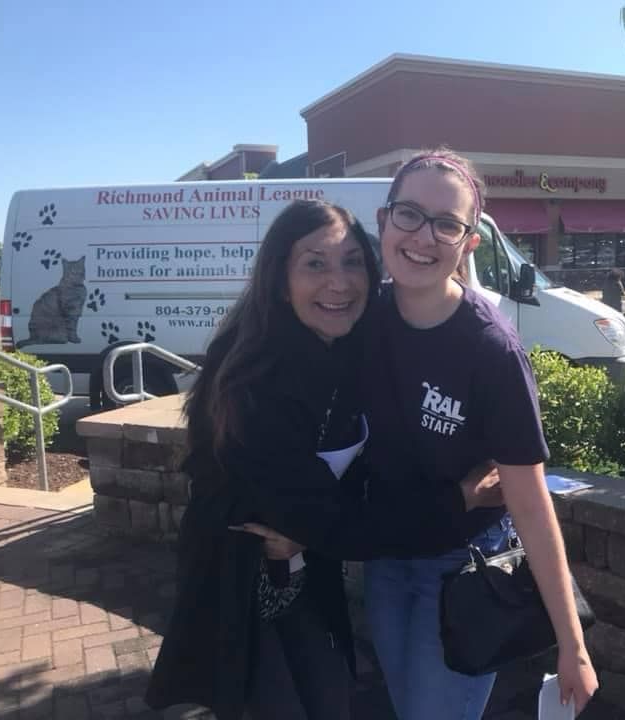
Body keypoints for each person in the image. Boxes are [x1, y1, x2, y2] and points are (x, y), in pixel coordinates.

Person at [145, 200, 501, 720]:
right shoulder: (254, 377)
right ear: (279, 279)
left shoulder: (347, 348)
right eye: (315, 263)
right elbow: (329, 521)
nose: (339, 282)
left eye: (353, 261)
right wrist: (461, 498)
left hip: (308, 562)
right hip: (244, 578)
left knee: (326, 693)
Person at [360, 149, 597, 719]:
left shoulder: (491, 350)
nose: (423, 236)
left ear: (469, 243)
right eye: (409, 214)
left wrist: (572, 643)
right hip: (385, 558)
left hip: (461, 570)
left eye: (447, 224)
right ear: (384, 220)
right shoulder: (362, 318)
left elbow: (530, 501)